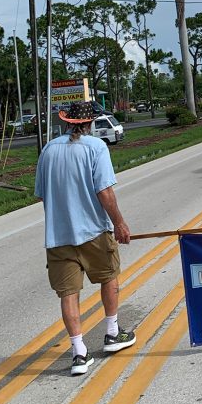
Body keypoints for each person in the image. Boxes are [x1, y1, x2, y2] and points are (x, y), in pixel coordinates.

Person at [34, 100, 136, 376]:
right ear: (89, 123)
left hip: (58, 236)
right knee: (109, 276)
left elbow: (43, 195)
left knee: (68, 293)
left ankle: (79, 353)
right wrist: (119, 223)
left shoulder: (48, 150)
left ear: (66, 122)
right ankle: (112, 333)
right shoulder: (96, 147)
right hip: (93, 230)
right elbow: (104, 191)